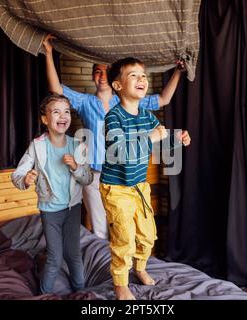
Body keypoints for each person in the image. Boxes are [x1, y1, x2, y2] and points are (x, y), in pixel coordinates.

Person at [42, 34, 185, 240]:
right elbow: (56, 89)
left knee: (124, 229)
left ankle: (125, 268)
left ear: (115, 80)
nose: (101, 76)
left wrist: (178, 72)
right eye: (97, 72)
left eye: (105, 72)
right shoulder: (85, 102)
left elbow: (163, 99)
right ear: (93, 77)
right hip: (93, 174)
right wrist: (48, 53)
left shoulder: (128, 102)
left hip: (123, 176)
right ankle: (106, 270)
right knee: (100, 229)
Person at [99, 57, 191, 300]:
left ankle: (139, 267)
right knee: (125, 235)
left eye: (144, 75)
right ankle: (120, 283)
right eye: (133, 75)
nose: (142, 79)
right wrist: (150, 137)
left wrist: (176, 138)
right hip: (116, 187)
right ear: (118, 86)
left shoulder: (147, 115)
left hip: (139, 185)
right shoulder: (113, 117)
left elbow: (159, 139)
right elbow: (118, 152)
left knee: (148, 233)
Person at [11, 93, 93, 294]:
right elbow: (18, 173)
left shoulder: (78, 145)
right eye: (56, 112)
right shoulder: (37, 145)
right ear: (45, 119)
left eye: (66, 112)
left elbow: (88, 178)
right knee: (55, 256)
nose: (62, 116)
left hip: (73, 208)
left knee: (73, 253)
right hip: (50, 211)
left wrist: (76, 166)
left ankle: (81, 293)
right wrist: (25, 179)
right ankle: (44, 294)